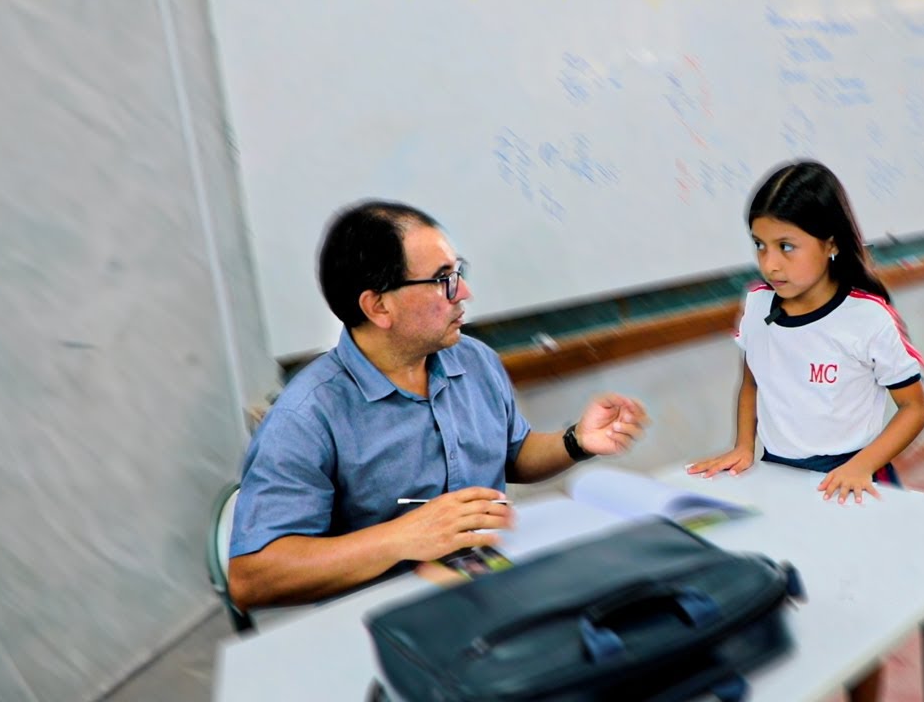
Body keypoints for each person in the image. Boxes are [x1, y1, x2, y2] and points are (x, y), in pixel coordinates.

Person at [228, 200, 649, 611]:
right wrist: (401, 538)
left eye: (458, 271)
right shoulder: (307, 415)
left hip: (490, 586)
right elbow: (252, 577)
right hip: (389, 615)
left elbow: (512, 455)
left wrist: (577, 441)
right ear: (379, 306)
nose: (463, 292)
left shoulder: (473, 359)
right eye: (443, 278)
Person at [686, 160, 924, 702]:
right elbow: (752, 383)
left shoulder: (867, 319)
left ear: (831, 244)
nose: (770, 263)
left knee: (859, 616)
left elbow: (914, 408)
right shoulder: (756, 306)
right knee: (796, 609)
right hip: (781, 481)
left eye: (786, 246)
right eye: (759, 245)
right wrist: (744, 447)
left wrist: (862, 464)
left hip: (853, 483)